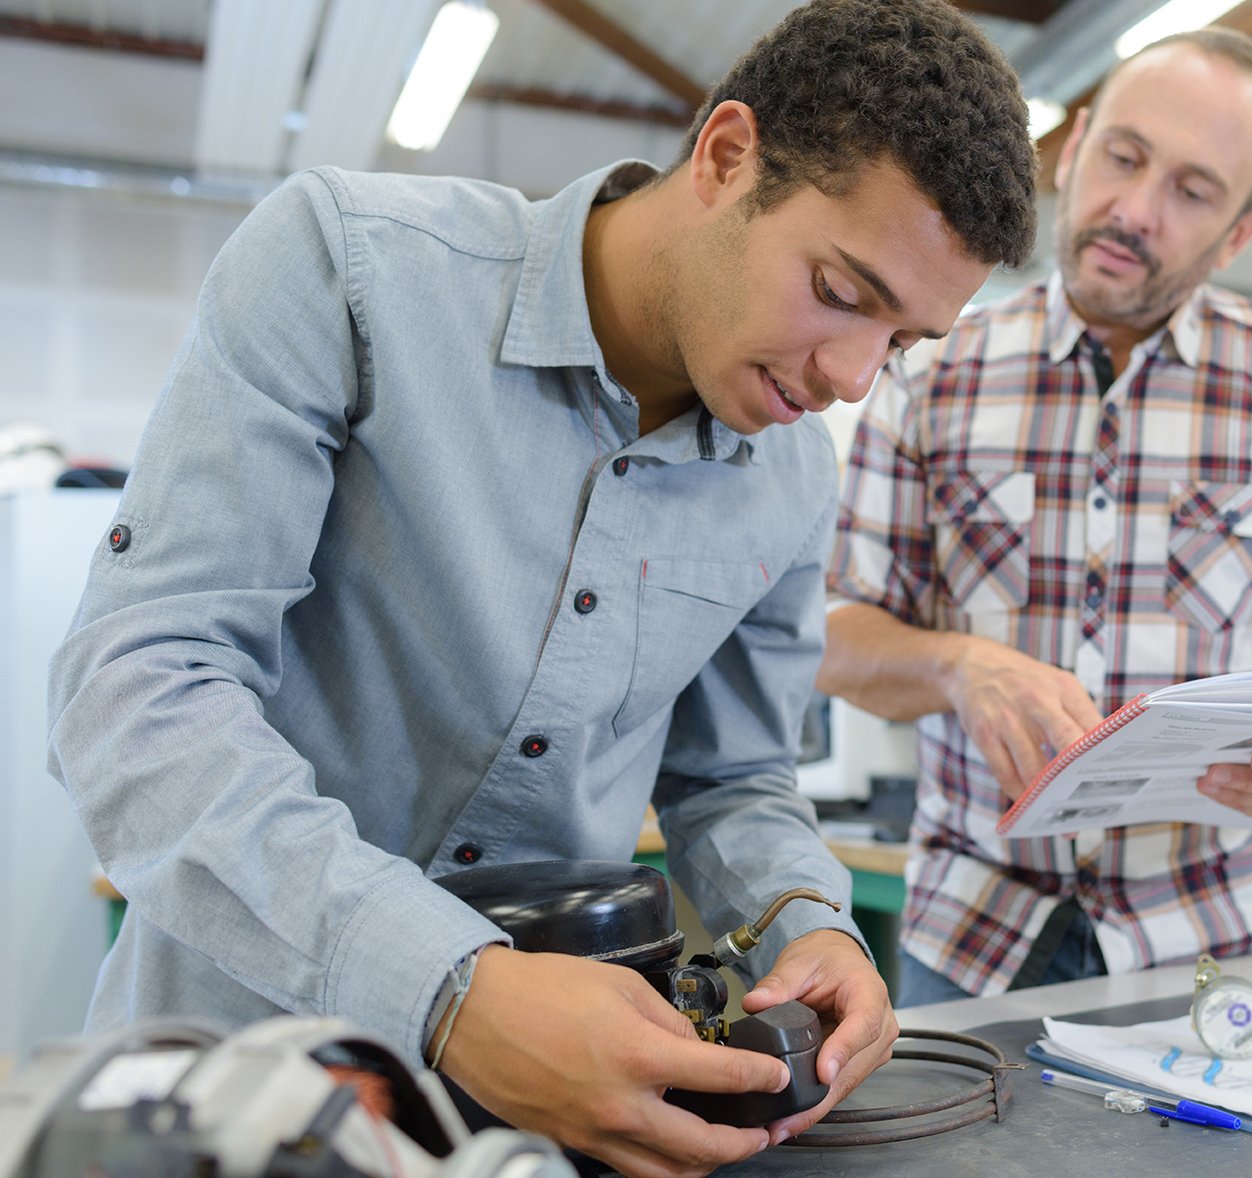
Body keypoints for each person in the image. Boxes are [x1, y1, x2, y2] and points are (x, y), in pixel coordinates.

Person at [45, 1, 1037, 1173]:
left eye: (905, 340)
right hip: (236, 1085)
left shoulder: (787, 475)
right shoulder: (350, 270)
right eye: (839, 287)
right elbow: (139, 689)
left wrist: (805, 920)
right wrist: (450, 986)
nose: (852, 376)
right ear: (726, 158)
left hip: (562, 1123)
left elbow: (733, 777)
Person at [819, 27, 1252, 1008]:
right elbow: (833, 631)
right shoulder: (927, 369)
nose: (1135, 210)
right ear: (1071, 151)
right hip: (973, 936)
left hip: (1222, 946)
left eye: (1193, 191)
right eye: (1123, 156)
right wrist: (954, 662)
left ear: (1239, 232)